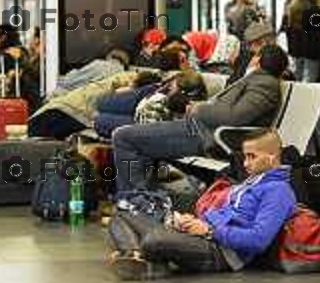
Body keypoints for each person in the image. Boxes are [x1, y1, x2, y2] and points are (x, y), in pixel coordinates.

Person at [109, 129, 297, 280]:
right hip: (206, 235)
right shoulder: (253, 181)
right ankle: (136, 256)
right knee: (122, 215)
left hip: (223, 253)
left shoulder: (278, 191)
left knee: (154, 239)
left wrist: (209, 231)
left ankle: (144, 259)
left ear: (272, 157)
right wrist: (194, 222)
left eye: (252, 157)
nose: (246, 163)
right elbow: (224, 214)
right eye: (245, 156)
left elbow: (258, 240)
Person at [112, 44, 289, 194]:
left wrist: (196, 109)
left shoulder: (264, 84)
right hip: (198, 128)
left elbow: (233, 118)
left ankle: (134, 202)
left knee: (123, 137)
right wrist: (200, 107)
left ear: (257, 60)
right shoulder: (255, 80)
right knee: (132, 139)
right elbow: (227, 111)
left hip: (204, 135)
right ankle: (143, 201)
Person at [281, 0, 320, 82]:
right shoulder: (315, 10)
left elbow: (286, 30)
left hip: (295, 50)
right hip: (312, 51)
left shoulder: (290, 9)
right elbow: (319, 33)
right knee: (310, 81)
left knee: (296, 78)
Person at [227, 21, 275, 85]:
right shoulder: (245, 58)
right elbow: (233, 81)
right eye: (249, 44)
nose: (250, 48)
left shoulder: (272, 59)